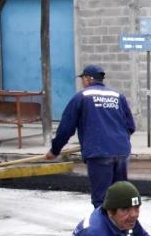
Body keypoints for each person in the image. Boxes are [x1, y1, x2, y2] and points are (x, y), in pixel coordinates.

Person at [46, 65, 136, 208]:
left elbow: (66, 129)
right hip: (121, 152)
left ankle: (103, 222)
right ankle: (122, 222)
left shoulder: (81, 97)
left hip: (98, 153)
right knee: (120, 197)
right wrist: (117, 139)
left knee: (101, 199)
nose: (82, 82)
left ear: (88, 78)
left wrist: (55, 150)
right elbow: (130, 126)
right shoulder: (118, 96)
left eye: (82, 78)